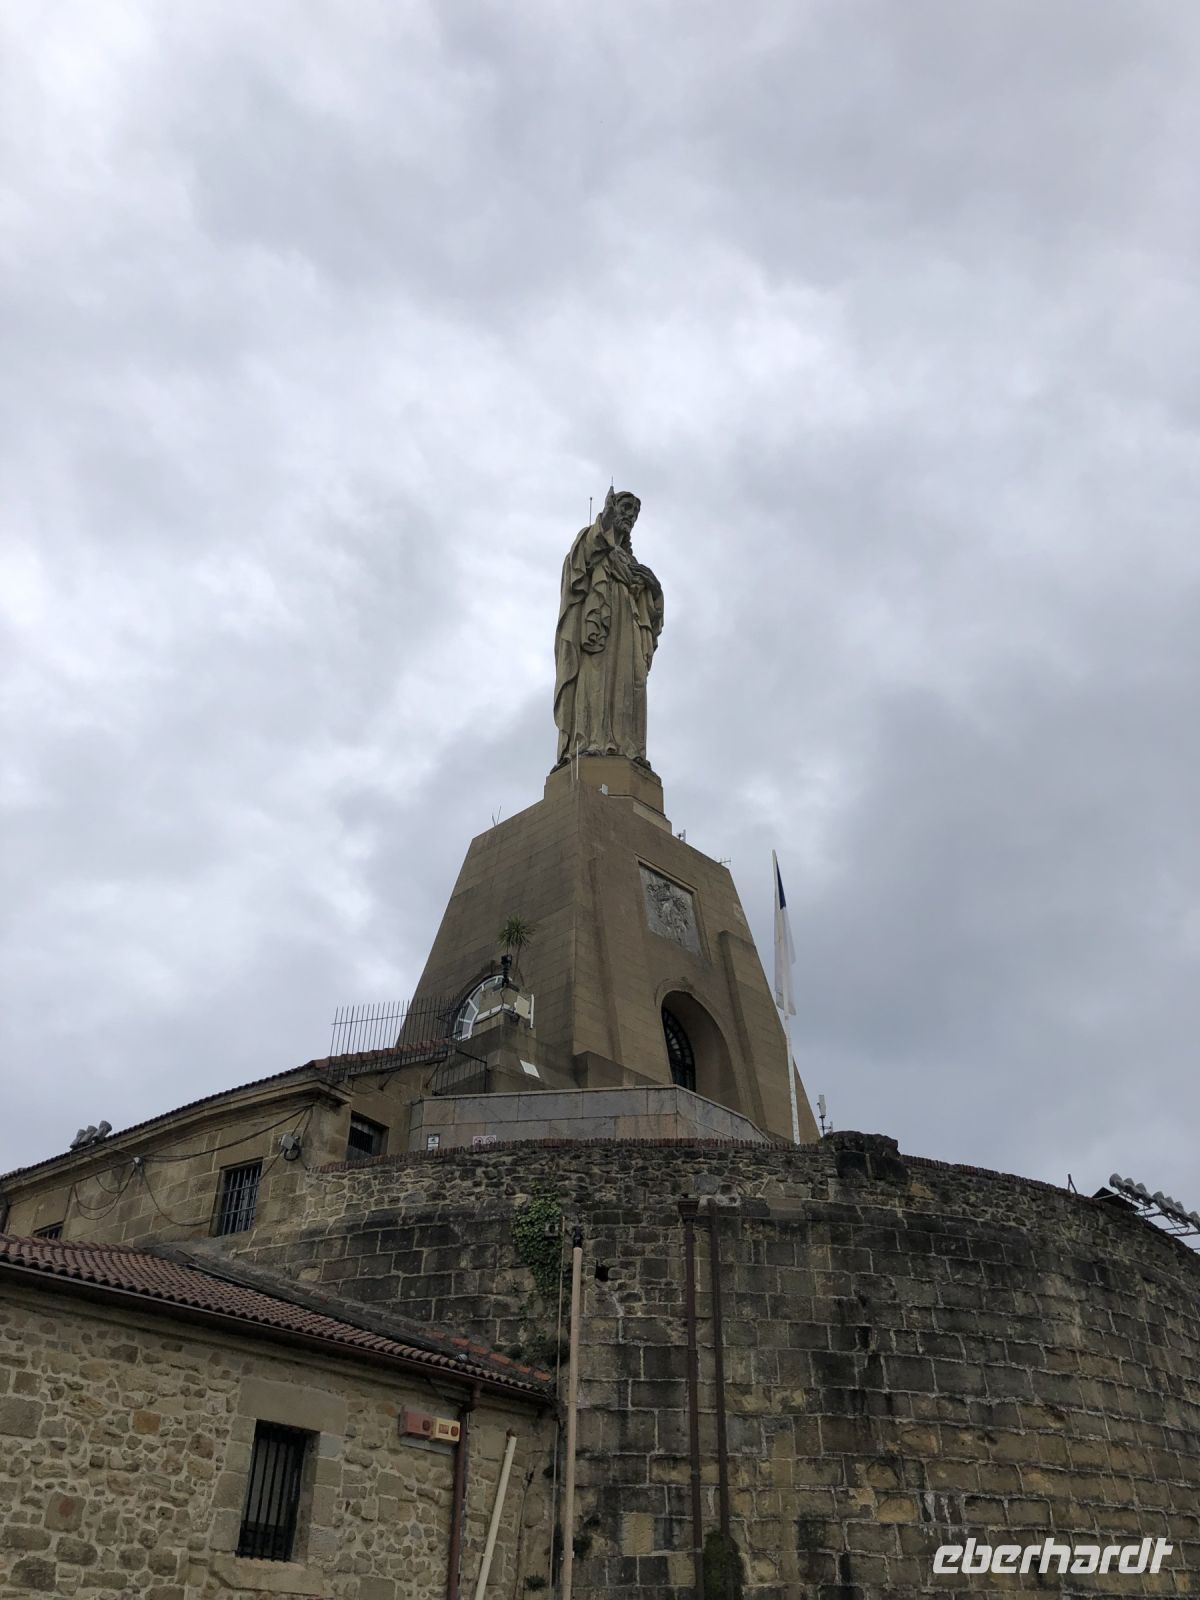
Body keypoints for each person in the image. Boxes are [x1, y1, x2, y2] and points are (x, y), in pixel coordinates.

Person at [552, 488, 664, 768]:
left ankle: (629, 749)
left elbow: (653, 613)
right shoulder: (592, 540)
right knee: (596, 680)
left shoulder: (632, 564)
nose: (630, 516)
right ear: (612, 507)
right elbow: (579, 561)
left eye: (634, 512)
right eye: (625, 508)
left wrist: (653, 586)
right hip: (598, 629)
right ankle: (590, 744)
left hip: (630, 629)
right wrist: (604, 521)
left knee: (632, 683)